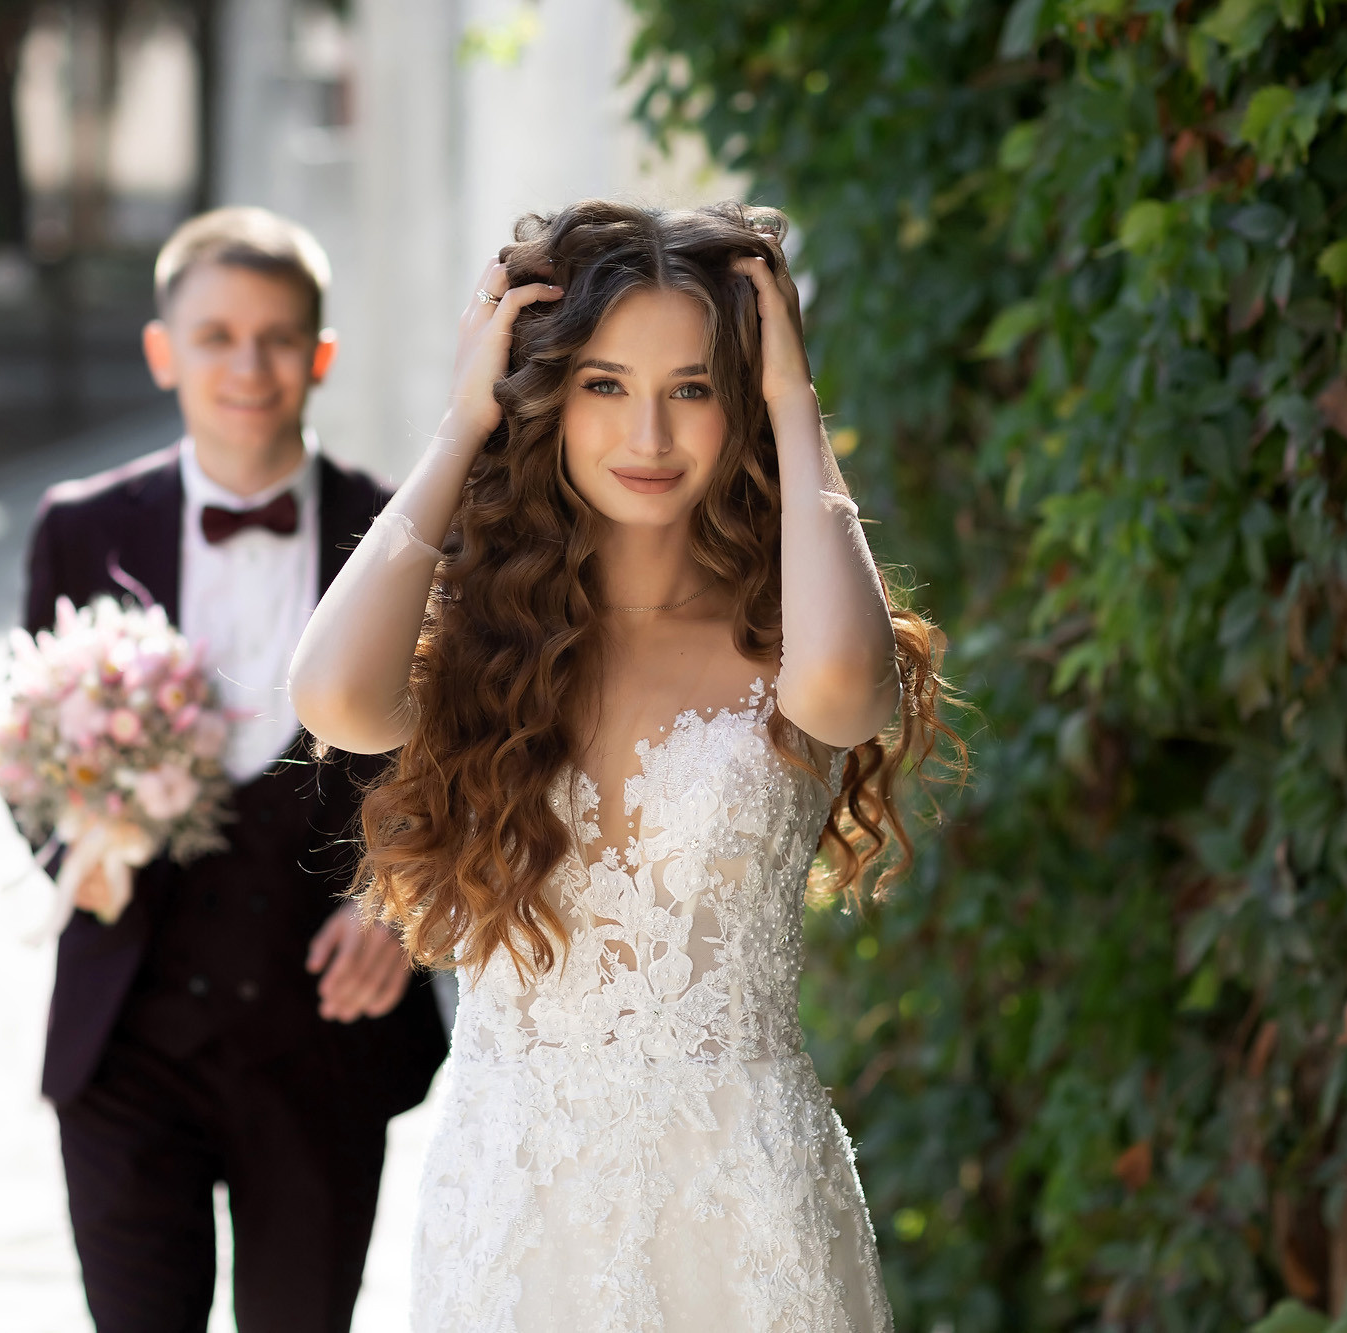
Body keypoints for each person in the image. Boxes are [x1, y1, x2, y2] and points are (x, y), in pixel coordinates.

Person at [289, 200, 958, 1331]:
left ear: (740, 399)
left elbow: (850, 690)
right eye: (604, 384)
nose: (648, 434)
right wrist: (460, 425)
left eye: (692, 388)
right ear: (545, 394)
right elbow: (333, 698)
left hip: (743, 1209)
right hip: (516, 1202)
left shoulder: (788, 639)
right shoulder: (484, 646)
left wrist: (794, 403)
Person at [18, 206, 447, 1333]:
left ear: (321, 354)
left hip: (324, 1040)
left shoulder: (403, 534)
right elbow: (32, 755)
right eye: (216, 336)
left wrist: (396, 903)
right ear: (164, 352)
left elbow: (462, 761)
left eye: (277, 337)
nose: (247, 367)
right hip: (126, 1036)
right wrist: (80, 846)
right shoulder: (78, 528)